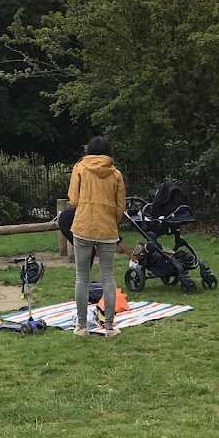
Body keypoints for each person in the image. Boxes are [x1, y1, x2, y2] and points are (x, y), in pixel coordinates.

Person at [68, 136, 127, 337]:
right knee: (108, 277)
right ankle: (109, 327)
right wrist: (112, 220)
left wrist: (85, 208)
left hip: (83, 226)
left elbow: (73, 199)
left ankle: (81, 326)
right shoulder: (116, 174)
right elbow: (121, 205)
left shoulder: (80, 168)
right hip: (107, 229)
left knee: (82, 277)